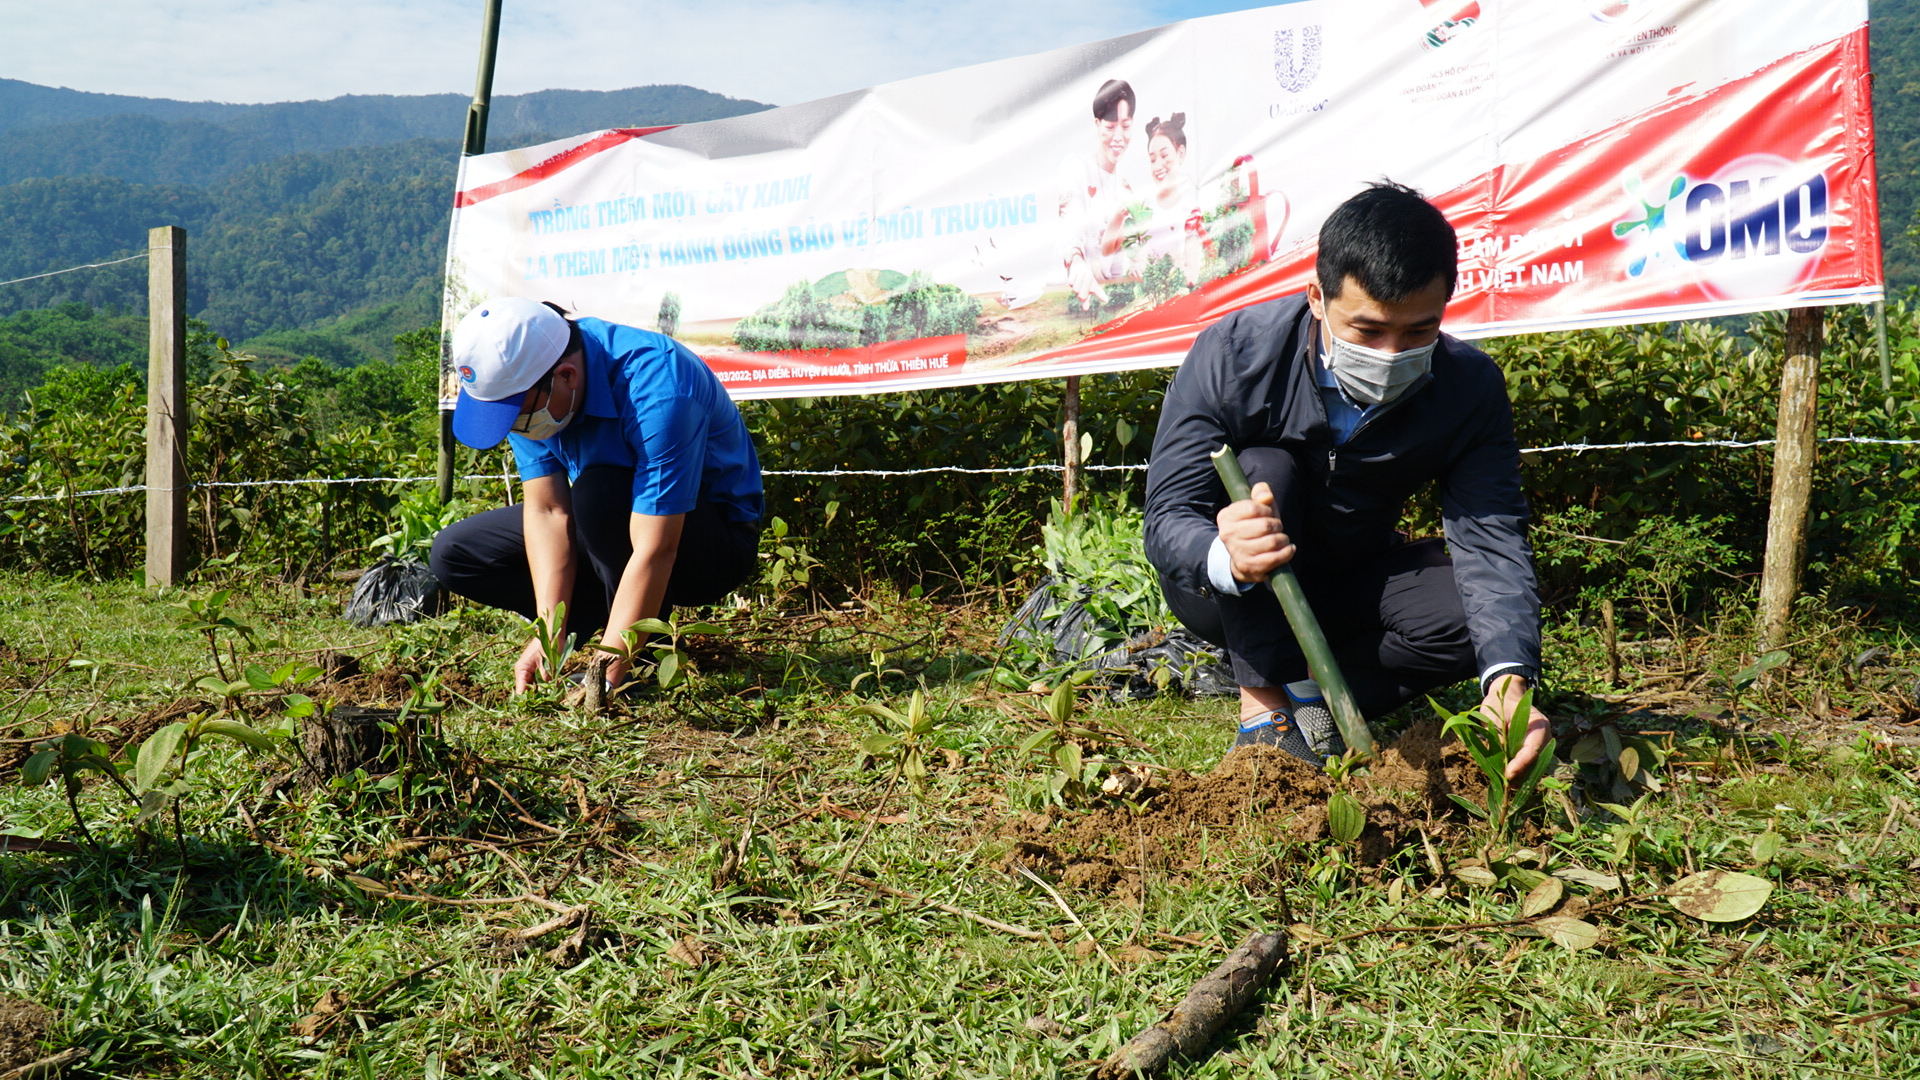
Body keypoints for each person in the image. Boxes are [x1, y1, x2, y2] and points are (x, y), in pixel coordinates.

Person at [1143, 181, 1549, 779]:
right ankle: (1264, 708)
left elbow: (1490, 537)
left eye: (1418, 332)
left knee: (1471, 620)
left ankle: (1315, 693)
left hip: (1348, 583)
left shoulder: (1468, 388)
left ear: (1444, 307)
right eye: (1367, 331)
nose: (1391, 354)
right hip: (1226, 589)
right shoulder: (1234, 354)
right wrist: (1226, 554)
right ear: (1316, 297)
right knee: (1265, 470)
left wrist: (1510, 678)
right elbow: (1167, 515)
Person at [429, 297, 764, 692]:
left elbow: (657, 548)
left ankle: (643, 657)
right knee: (454, 553)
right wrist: (550, 631)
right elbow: (548, 510)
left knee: (597, 494)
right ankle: (596, 621)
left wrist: (606, 672)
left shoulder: (658, 385)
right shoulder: (528, 388)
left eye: (517, 416)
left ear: (567, 376)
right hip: (613, 528)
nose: (516, 427)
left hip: (708, 545)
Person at [1058, 79, 1138, 308]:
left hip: (1106, 300)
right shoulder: (1077, 168)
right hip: (1071, 292)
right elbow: (1071, 221)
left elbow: (1117, 259)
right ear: (1097, 124)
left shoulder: (1125, 188)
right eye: (1110, 127)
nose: (1118, 137)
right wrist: (1075, 260)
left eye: (1125, 126)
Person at [1135, 112, 1205, 290]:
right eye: (1152, 159)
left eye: (1165, 155)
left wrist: (1175, 270)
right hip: (1152, 293)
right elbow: (1142, 250)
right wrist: (1138, 265)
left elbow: (1192, 275)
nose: (1158, 165)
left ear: (1180, 153)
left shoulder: (1191, 208)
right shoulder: (1146, 206)